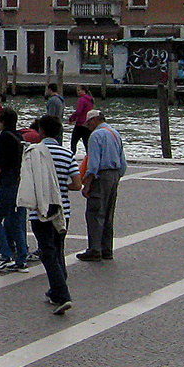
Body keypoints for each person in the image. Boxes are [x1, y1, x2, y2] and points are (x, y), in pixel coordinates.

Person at [20, 114, 79, 315]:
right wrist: (62, 186)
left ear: (41, 131)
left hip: (40, 211)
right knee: (58, 249)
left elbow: (27, 181)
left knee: (48, 253)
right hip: (63, 211)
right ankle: (56, 290)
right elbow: (77, 185)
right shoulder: (66, 154)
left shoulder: (33, 152)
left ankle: (62, 294)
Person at [0, 108, 29, 273]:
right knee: (15, 220)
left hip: (8, 183)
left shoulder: (2, 139)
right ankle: (22, 257)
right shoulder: (19, 137)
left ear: (1, 122)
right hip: (19, 182)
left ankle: (5, 255)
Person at [77, 110, 126, 262]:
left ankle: (95, 249)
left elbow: (93, 164)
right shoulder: (115, 133)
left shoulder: (96, 136)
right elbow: (122, 161)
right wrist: (117, 176)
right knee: (108, 213)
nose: (88, 126)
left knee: (95, 212)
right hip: (114, 175)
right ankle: (106, 249)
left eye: (89, 122)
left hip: (101, 176)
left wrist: (87, 184)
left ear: (96, 120)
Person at [69, 85, 94, 153]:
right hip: (87, 123)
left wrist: (72, 118)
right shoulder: (90, 99)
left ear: (84, 91)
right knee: (86, 142)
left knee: (74, 141)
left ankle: (72, 155)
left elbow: (79, 111)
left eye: (79, 90)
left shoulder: (82, 99)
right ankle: (89, 157)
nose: (77, 92)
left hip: (80, 123)